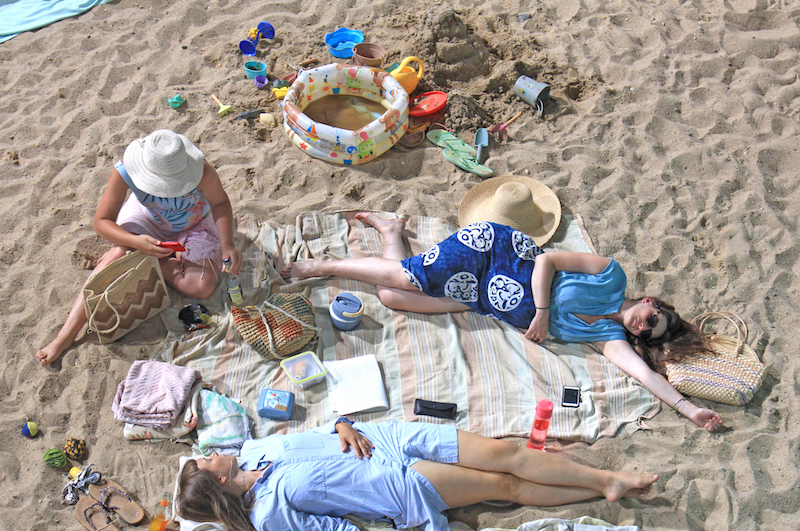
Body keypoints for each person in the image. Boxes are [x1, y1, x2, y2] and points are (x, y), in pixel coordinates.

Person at [281, 177, 724, 432]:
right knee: (404, 277)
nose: (644, 327)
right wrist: (545, 312)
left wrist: (688, 408)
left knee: (393, 297)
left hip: (482, 301)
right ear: (651, 302)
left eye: (648, 333)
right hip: (497, 253)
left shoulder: (605, 335)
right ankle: (320, 265)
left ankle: (391, 232)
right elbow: (547, 259)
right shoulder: (611, 275)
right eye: (653, 318)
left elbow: (643, 372)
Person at [177, 417, 659, 531]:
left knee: (505, 452)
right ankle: (604, 487)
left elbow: (323, 429)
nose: (208, 452)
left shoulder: (255, 447)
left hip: (388, 438)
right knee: (505, 487)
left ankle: (602, 479)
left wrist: (343, 424)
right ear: (218, 482)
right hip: (395, 484)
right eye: (203, 460)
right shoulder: (268, 515)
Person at [36, 129, 242, 365]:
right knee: (114, 258)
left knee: (202, 286)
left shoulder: (202, 171)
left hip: (195, 223)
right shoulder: (125, 170)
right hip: (147, 219)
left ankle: (148, 257)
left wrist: (228, 245)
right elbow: (101, 222)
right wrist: (134, 242)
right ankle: (66, 335)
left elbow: (220, 202)